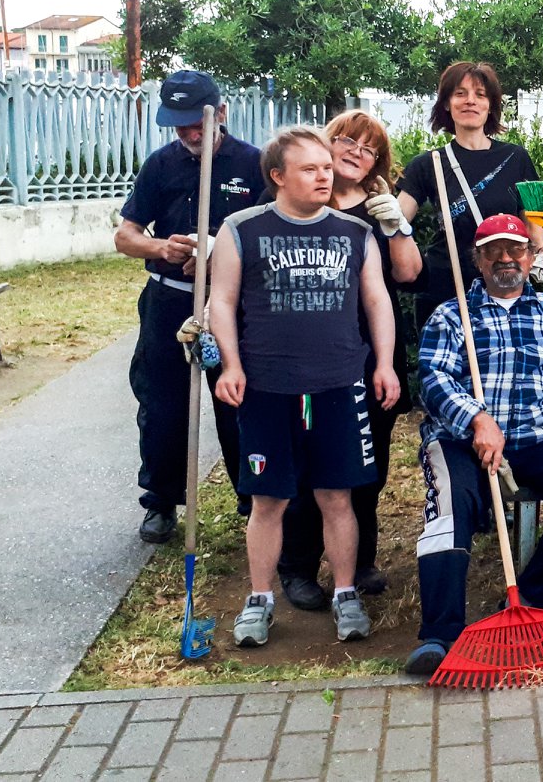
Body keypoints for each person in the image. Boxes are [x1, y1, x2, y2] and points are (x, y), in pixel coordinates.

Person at [207, 127, 401, 648]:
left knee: (337, 494)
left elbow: (378, 300)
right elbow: (221, 302)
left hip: (339, 383)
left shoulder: (354, 232)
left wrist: (383, 363)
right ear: (278, 177)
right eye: (311, 169)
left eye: (326, 166)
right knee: (268, 498)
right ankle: (260, 598)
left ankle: (344, 593)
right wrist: (229, 365)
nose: (326, 175)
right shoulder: (240, 228)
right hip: (268, 386)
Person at [405, 213, 543, 675]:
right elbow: (433, 381)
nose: (506, 258)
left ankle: (532, 598)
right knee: (453, 505)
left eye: (516, 249)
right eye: (492, 251)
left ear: (532, 256)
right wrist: (478, 419)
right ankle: (440, 635)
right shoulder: (453, 313)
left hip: (537, 439)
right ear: (477, 261)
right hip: (462, 439)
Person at [276, 111, 422, 611]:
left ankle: (359, 561)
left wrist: (396, 224)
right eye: (346, 141)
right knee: (303, 461)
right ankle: (297, 565)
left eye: (369, 149)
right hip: (304, 353)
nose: (355, 153)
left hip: (367, 351)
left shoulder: (378, 208)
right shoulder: (296, 203)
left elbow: (407, 274)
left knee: (367, 460)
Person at [115, 69, 265, 543]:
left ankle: (252, 501)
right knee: (161, 405)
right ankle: (160, 501)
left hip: (231, 308)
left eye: (196, 123)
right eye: (179, 126)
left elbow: (269, 236)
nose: (189, 134)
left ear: (220, 113)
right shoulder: (161, 165)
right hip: (169, 303)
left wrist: (218, 252)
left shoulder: (255, 165)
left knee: (238, 402)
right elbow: (126, 236)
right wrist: (161, 249)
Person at [396, 61, 543, 326]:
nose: (470, 101)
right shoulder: (429, 163)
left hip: (502, 287)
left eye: (480, 94)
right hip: (445, 289)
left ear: (490, 106)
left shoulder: (515, 158)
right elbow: (398, 220)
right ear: (447, 103)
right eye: (460, 93)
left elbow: (531, 222)